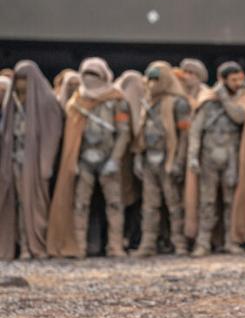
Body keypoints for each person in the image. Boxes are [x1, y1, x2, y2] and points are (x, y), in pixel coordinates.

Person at [47, 57, 132, 258]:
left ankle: (115, 246)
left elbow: (124, 132)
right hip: (85, 157)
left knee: (114, 203)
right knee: (80, 204)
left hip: (108, 156)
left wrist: (115, 159)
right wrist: (73, 159)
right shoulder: (77, 100)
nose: (89, 78)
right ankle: (79, 246)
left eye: (94, 74)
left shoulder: (116, 100)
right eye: (86, 73)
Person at [187, 61, 245, 256]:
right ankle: (203, 243)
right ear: (222, 79)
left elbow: (239, 117)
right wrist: (193, 155)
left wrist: (225, 98)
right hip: (209, 155)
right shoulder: (207, 100)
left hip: (232, 155)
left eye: (239, 79)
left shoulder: (242, 99)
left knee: (230, 201)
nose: (237, 83)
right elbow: (196, 130)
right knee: (207, 201)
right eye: (232, 80)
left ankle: (230, 240)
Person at [0, 61, 63, 260]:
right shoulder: (13, 102)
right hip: (15, 160)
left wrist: (45, 163)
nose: (19, 84)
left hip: (35, 164)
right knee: (18, 203)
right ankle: (24, 246)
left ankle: (37, 244)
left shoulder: (46, 101)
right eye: (17, 79)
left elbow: (52, 134)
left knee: (34, 205)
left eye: (23, 79)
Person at [130, 61, 192, 257]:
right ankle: (147, 244)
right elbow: (141, 132)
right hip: (150, 158)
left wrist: (178, 161)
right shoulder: (147, 102)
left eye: (156, 79)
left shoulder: (178, 103)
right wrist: (139, 157)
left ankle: (179, 243)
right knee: (149, 205)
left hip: (168, 158)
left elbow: (184, 136)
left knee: (174, 205)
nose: (151, 83)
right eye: (149, 79)